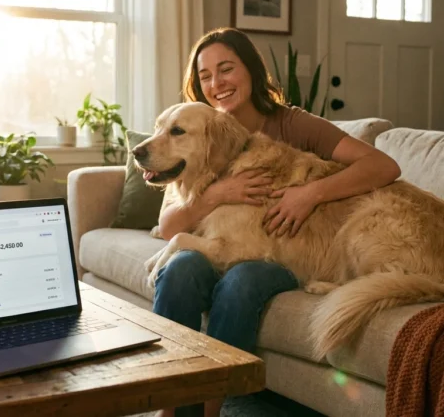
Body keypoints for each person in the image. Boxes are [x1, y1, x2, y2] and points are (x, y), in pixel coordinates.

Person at [153, 28, 401, 417]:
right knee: (181, 268)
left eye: (226, 69)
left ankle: (211, 408)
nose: (217, 84)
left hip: (279, 251)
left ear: (251, 71)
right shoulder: (191, 133)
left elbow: (384, 165)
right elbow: (169, 226)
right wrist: (218, 194)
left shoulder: (292, 124)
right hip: (221, 242)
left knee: (241, 281)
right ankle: (167, 407)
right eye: (205, 76)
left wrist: (310, 194)